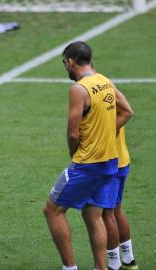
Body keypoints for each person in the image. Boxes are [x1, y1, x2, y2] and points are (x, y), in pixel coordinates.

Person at [43, 41, 133, 270]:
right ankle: (101, 268)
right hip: (110, 163)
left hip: (88, 164)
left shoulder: (79, 89)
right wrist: (104, 135)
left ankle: (69, 268)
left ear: (71, 61)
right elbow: (126, 111)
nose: (66, 68)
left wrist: (75, 154)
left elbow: (73, 132)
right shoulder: (104, 81)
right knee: (93, 213)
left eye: (65, 63)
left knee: (52, 210)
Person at [103, 126, 139, 270]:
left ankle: (114, 264)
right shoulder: (117, 102)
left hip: (108, 162)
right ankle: (128, 259)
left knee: (107, 213)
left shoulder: (100, 102)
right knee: (116, 210)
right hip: (121, 159)